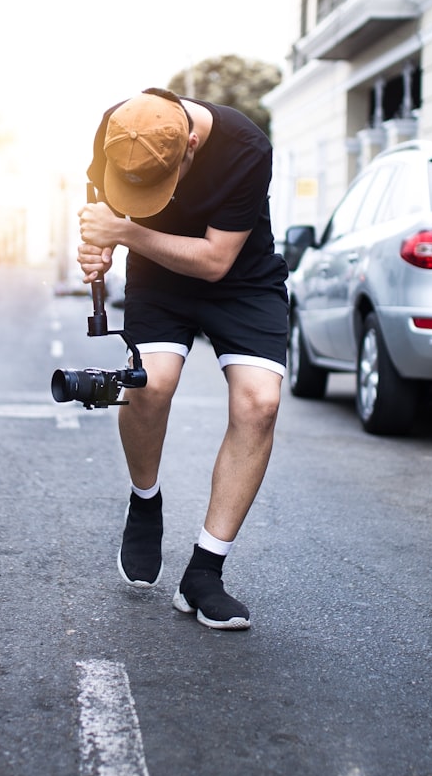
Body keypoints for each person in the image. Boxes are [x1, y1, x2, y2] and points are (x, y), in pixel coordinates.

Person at [77, 86, 288, 630]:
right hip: (158, 278)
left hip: (240, 276)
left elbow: (216, 260)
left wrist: (123, 232)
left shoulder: (245, 146)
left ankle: (204, 573)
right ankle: (145, 501)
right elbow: (102, 207)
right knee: (150, 385)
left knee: (259, 403)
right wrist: (96, 247)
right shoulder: (118, 125)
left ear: (190, 144)